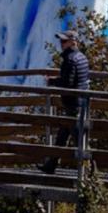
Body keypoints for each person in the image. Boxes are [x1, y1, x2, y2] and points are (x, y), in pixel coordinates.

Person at [38, 30, 90, 174]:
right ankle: (50, 166)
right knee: (63, 136)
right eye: (61, 41)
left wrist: (52, 81)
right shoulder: (82, 58)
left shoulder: (70, 60)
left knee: (80, 140)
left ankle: (91, 174)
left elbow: (68, 82)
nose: (61, 44)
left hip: (73, 104)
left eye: (64, 41)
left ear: (73, 41)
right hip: (81, 103)